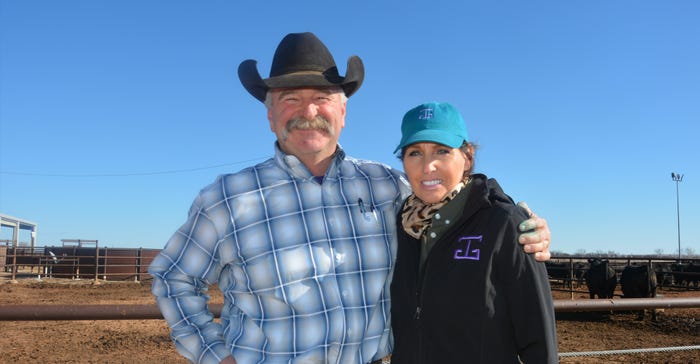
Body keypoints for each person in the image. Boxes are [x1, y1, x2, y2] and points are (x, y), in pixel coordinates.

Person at [149, 32, 552, 364]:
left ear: (343, 111)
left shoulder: (386, 186)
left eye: (323, 97)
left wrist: (519, 221)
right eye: (290, 98)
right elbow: (172, 277)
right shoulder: (226, 198)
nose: (309, 110)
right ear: (269, 115)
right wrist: (214, 355)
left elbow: (454, 199)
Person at [389, 102, 558, 363]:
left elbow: (538, 339)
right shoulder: (401, 224)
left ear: (467, 157)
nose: (427, 166)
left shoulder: (504, 224)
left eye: (442, 151)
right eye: (414, 153)